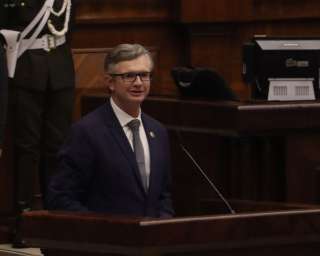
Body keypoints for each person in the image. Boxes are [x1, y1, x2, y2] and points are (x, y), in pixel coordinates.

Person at [48, 43, 175, 218]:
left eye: (144, 75)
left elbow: (163, 196)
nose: (138, 83)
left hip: (152, 240)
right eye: (129, 76)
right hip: (106, 240)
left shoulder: (158, 131)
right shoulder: (86, 132)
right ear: (110, 82)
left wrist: (163, 226)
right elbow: (61, 198)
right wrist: (102, 229)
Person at [0, 0, 76, 247]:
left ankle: (54, 218)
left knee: (58, 148)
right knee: (26, 148)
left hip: (61, 67)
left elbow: (68, 25)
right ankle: (23, 220)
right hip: (26, 66)